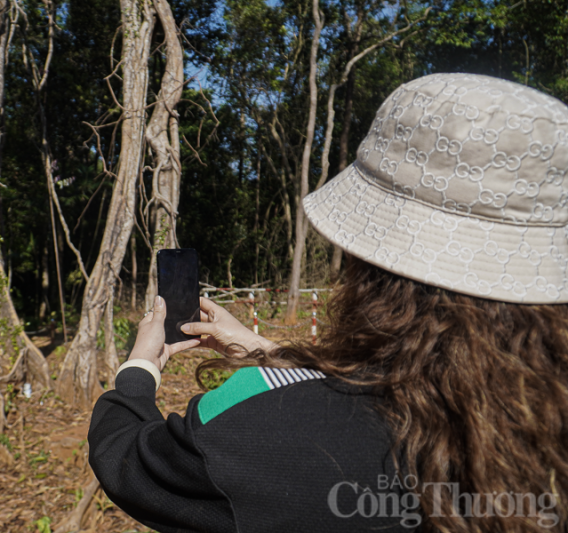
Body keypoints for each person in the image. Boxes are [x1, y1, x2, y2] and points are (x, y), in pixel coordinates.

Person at [88, 73, 568, 533]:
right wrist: (265, 349)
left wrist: (139, 370)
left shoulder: (258, 431)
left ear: (365, 263)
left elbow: (132, 462)